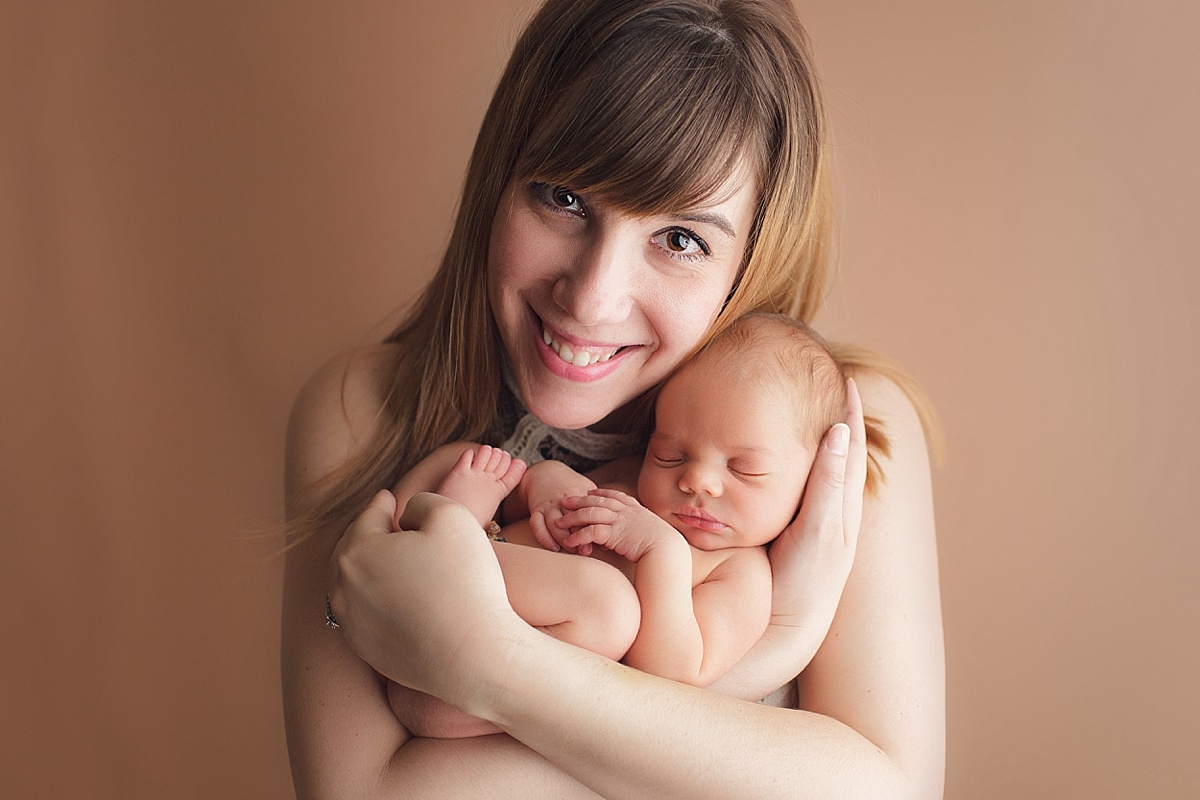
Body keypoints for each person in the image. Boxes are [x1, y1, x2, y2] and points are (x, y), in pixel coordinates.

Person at [283, 0, 945, 797]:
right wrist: (770, 657)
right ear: (502, 178)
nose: (592, 300)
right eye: (564, 198)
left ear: (753, 257)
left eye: (681, 239)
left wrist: (489, 664)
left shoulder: (831, 436)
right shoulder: (366, 410)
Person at [384, 313, 848, 738]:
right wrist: (546, 483)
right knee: (474, 461)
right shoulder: (631, 482)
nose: (696, 480)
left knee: (611, 611)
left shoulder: (741, 576)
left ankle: (448, 545)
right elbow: (543, 504)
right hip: (475, 573)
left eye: (745, 470)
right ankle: (456, 535)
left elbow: (672, 676)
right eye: (670, 454)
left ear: (807, 484)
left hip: (478, 676)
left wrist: (661, 553)